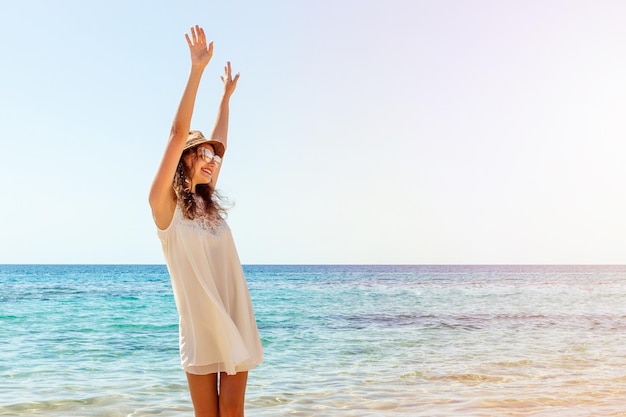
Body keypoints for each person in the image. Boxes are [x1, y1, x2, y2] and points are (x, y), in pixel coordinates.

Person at [149, 24, 263, 417]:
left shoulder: (206, 203)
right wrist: (196, 70)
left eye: (214, 159)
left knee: (233, 410)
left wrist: (226, 100)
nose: (212, 161)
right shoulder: (166, 209)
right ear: (184, 158)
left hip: (232, 310)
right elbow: (177, 132)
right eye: (203, 155)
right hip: (200, 324)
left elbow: (221, 146)